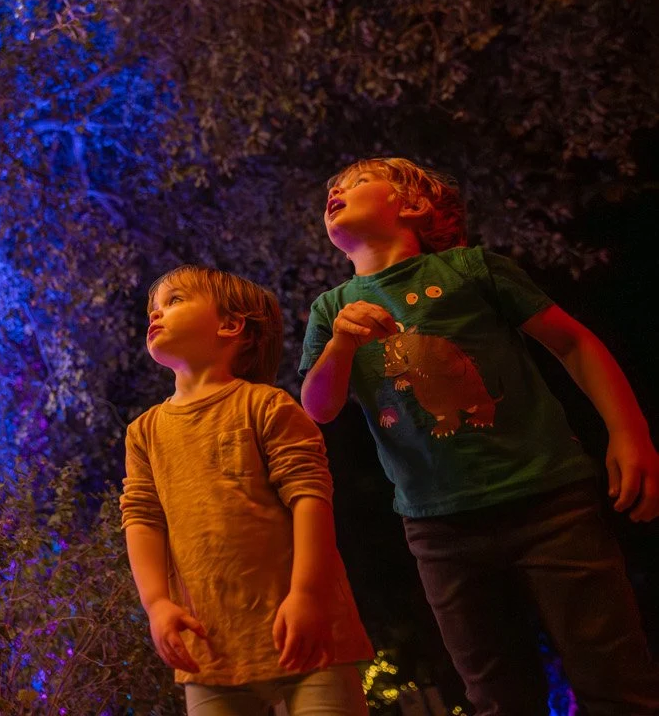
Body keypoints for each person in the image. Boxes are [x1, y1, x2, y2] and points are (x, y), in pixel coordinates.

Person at [299, 156, 659, 715]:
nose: (336, 191)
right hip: (438, 530)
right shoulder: (331, 310)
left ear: (412, 206)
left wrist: (629, 434)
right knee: (495, 696)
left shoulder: (473, 270)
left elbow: (574, 344)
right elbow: (319, 408)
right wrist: (340, 345)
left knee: (615, 678)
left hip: (550, 504)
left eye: (357, 181)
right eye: (333, 187)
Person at [122, 265, 372, 715]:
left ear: (231, 325)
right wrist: (157, 604)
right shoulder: (144, 432)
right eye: (153, 308)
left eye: (174, 301)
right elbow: (141, 518)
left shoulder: (265, 405)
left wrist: (308, 596)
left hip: (308, 636)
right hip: (211, 653)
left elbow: (310, 497)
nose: (156, 314)